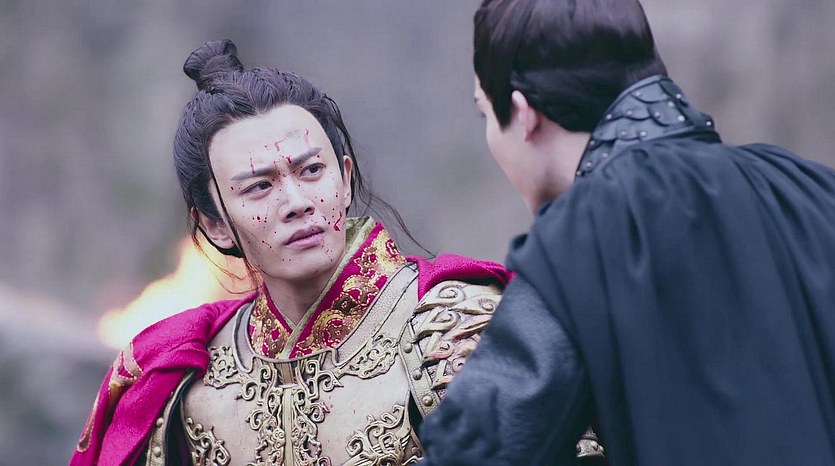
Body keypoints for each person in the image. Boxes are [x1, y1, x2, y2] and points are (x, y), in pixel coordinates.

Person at [418, 0, 835, 465]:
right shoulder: (812, 188)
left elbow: (481, 448)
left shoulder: (581, 239)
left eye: (485, 114)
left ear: (523, 113)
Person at [69, 39, 516, 466]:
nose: (297, 202)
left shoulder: (459, 329)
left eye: (312, 170)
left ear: (344, 179)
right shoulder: (186, 384)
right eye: (259, 186)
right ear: (214, 224)